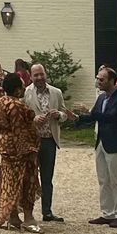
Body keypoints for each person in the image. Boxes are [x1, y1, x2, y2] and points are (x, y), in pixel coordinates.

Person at [73, 66, 117, 227]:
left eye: (102, 79)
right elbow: (94, 116)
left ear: (111, 81)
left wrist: (90, 112)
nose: (98, 82)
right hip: (101, 143)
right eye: (98, 78)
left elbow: (112, 118)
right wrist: (78, 117)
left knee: (116, 180)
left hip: (115, 144)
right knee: (103, 179)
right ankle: (107, 212)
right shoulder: (101, 98)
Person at [0, 72, 44, 233]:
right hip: (19, 149)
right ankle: (28, 217)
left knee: (9, 181)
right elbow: (19, 130)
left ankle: (12, 216)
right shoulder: (16, 105)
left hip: (5, 146)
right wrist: (29, 150)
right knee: (27, 180)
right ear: (17, 90)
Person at [22, 63, 67, 222]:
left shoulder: (56, 92)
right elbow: (21, 115)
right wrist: (33, 119)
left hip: (49, 140)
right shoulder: (26, 93)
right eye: (36, 75)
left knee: (47, 178)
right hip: (32, 141)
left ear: (45, 74)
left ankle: (47, 212)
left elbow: (64, 113)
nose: (39, 77)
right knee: (30, 177)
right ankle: (28, 212)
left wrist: (59, 115)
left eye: (41, 74)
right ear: (31, 76)